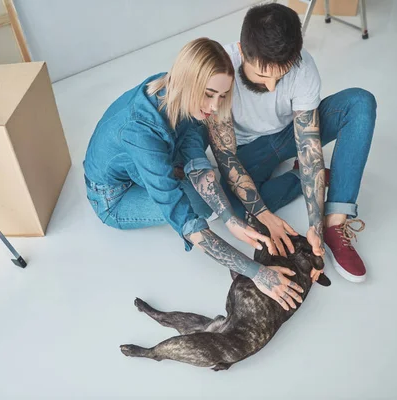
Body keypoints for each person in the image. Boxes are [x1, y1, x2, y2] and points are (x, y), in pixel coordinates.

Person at [83, 37, 305, 310]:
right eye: (209, 94)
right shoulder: (140, 132)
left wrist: (230, 220)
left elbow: (192, 146)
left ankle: (283, 185)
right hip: (114, 196)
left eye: (221, 96)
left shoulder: (175, 91)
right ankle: (298, 180)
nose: (214, 106)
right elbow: (184, 219)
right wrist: (257, 272)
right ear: (187, 79)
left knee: (214, 187)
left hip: (154, 160)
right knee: (197, 206)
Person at [207, 4, 376, 283]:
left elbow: (308, 143)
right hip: (249, 152)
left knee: (360, 102)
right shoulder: (222, 67)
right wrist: (262, 212)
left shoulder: (303, 65)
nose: (272, 87)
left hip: (290, 135)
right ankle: (300, 178)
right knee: (229, 210)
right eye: (262, 76)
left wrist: (315, 224)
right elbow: (225, 156)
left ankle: (336, 220)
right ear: (242, 50)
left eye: (280, 77)